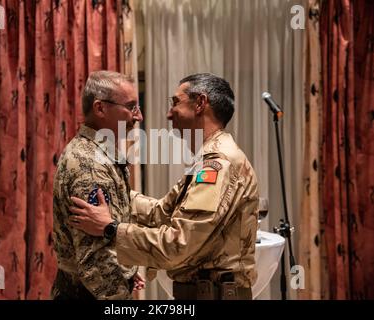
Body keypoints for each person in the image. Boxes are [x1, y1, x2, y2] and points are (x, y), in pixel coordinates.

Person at [69, 73, 259, 300]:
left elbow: (177, 246)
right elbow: (161, 211)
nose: (169, 114)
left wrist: (110, 229)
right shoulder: (207, 161)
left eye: (175, 103)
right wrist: (113, 189)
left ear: (200, 103)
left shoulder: (219, 165)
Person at [51, 70, 145, 300]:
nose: (139, 116)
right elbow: (94, 259)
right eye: (131, 106)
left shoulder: (99, 154)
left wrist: (127, 271)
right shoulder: (89, 165)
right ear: (100, 108)